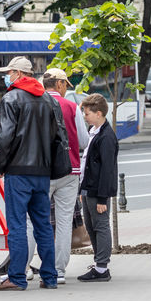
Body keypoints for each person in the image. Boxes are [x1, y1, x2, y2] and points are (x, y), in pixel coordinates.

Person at [0, 56, 61, 291]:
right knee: (43, 224)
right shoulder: (48, 100)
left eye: (10, 72)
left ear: (19, 74)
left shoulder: (11, 98)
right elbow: (56, 137)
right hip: (42, 171)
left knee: (18, 224)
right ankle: (50, 277)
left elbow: (4, 137)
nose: (8, 76)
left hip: (18, 171)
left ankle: (17, 277)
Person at [24, 68, 90, 284]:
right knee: (63, 222)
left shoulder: (33, 104)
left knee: (32, 221)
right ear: (60, 84)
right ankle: (58, 270)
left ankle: (23, 267)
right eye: (65, 85)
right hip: (68, 171)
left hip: (39, 171)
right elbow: (82, 141)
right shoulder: (72, 107)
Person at [77, 94, 118, 282]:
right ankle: (98, 263)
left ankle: (102, 268)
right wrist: (81, 190)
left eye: (87, 113)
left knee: (101, 226)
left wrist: (103, 198)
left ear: (99, 113)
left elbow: (108, 170)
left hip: (98, 191)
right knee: (91, 226)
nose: (85, 116)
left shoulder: (106, 137)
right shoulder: (93, 131)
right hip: (88, 189)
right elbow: (86, 164)